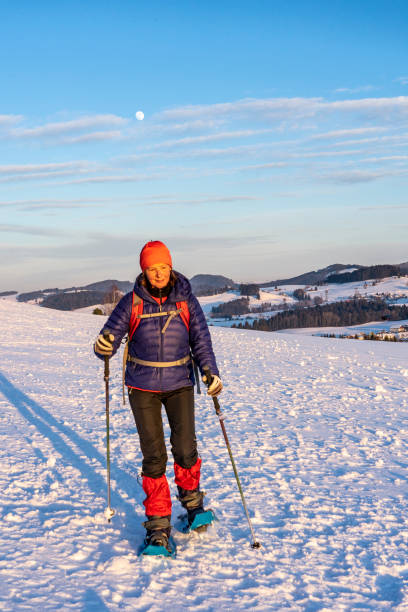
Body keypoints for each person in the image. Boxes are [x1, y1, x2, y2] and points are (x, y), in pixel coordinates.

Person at [94, 240, 222, 550]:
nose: (159, 273)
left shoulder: (186, 301)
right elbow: (109, 336)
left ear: (170, 267)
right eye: (152, 268)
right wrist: (104, 346)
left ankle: (193, 507)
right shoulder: (132, 302)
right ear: (144, 271)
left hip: (180, 383)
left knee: (184, 447)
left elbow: (201, 340)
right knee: (154, 456)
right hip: (142, 387)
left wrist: (210, 372)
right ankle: (158, 526)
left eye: (163, 267)